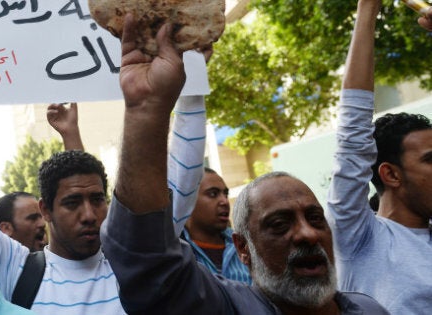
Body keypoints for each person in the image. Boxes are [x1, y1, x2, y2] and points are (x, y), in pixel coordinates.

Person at [99, 13, 389, 314]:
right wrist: (146, 109)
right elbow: (149, 264)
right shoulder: (230, 308)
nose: (306, 234)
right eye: (279, 225)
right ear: (243, 249)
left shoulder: (369, 309)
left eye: (316, 219)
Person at [0, 29, 207, 313]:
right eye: (72, 203)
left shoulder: (140, 260)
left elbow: (182, 179)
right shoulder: (15, 269)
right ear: (45, 210)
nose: (89, 215)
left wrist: (193, 79)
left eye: (97, 199)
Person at [326, 1, 432, 313]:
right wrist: (368, 8)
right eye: (430, 159)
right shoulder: (359, 237)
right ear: (391, 175)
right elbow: (353, 132)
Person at [181, 167, 251, 283]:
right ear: (188, 200)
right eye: (213, 194)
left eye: (225, 194)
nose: (224, 201)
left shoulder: (245, 245)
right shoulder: (176, 251)